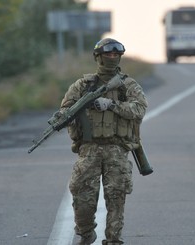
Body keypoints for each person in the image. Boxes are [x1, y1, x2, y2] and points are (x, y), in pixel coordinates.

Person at [59, 38, 148, 245]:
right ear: (98, 57)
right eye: (108, 54)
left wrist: (112, 104)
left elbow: (139, 109)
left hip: (117, 148)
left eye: (116, 55)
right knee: (81, 196)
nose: (112, 58)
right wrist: (73, 113)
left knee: (116, 198)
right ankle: (86, 233)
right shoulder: (82, 85)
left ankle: (113, 240)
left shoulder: (128, 85)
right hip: (88, 149)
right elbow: (65, 111)